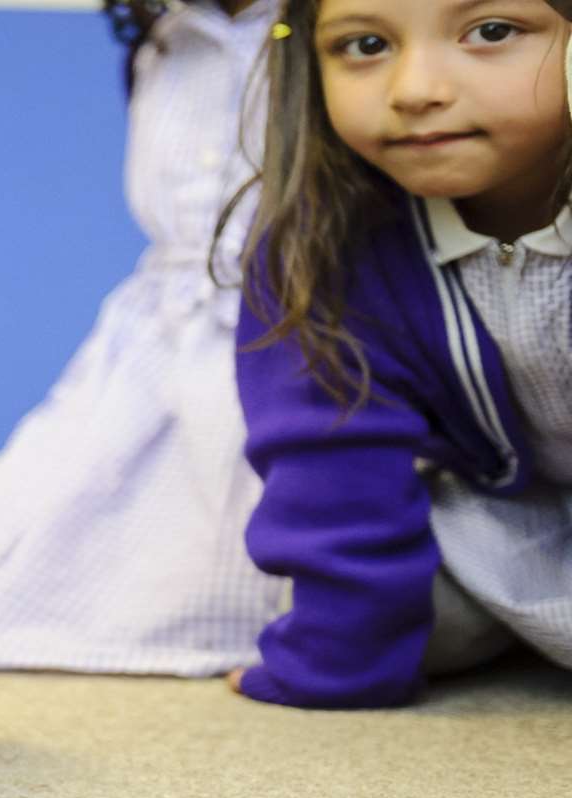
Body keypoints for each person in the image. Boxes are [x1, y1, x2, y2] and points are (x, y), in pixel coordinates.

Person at [229, 0, 572, 707]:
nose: (415, 90)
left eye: (493, 32)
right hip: (514, 528)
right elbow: (331, 465)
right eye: (363, 45)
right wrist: (337, 666)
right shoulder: (324, 240)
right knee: (387, 602)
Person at [0, 0, 288, 676]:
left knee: (201, 570)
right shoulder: (165, 38)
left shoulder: (329, 32)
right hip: (160, 322)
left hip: (282, 323)